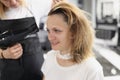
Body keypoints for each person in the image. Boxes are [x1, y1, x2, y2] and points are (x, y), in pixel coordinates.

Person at [42, 2, 104, 80]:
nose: (50, 37)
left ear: (74, 32)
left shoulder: (92, 69)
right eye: (48, 31)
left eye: (56, 30)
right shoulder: (50, 57)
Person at [0, 0, 52, 80]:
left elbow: (66, 9)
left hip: (38, 74)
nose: (13, 2)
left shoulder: (35, 4)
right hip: (8, 74)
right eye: (6, 0)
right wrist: (4, 54)